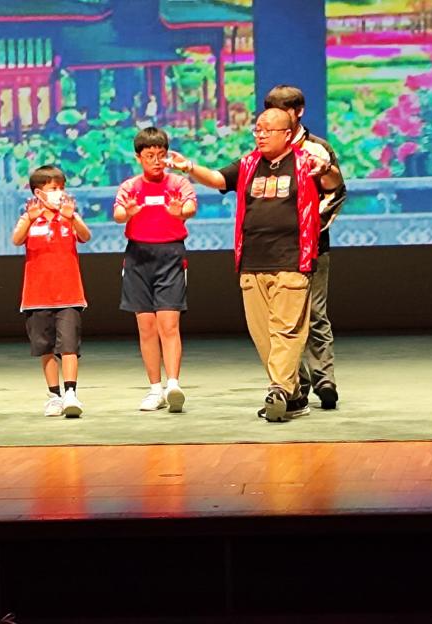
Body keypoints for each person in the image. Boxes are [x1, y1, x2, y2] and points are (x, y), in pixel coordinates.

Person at [166, 108, 339, 421]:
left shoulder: (306, 162)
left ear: (287, 134)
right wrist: (189, 167)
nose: (260, 135)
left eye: (267, 130)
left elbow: (333, 184)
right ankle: (294, 396)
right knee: (263, 335)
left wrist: (326, 168)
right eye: (257, 130)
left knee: (286, 331)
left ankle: (279, 390)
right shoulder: (248, 164)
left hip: (292, 260)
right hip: (252, 262)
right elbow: (218, 179)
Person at [265, 84, 347, 410]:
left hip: (312, 245)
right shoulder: (266, 150)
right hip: (274, 249)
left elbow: (336, 193)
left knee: (314, 312)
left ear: (298, 112)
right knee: (283, 318)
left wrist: (308, 227)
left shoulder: (318, 149)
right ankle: (294, 383)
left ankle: (324, 379)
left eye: (283, 111)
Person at [113, 127, 197, 412]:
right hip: (138, 257)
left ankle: (173, 385)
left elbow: (190, 206)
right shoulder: (130, 186)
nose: (157, 161)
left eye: (161, 155)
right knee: (146, 327)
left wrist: (180, 212)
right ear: (139, 157)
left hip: (170, 257)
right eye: (150, 155)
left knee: (168, 324)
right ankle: (155, 390)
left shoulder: (178, 183)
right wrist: (128, 213)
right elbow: (118, 214)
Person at [11, 165, 92, 417]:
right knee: (45, 348)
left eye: (61, 188)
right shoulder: (29, 218)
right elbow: (16, 239)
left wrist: (72, 216)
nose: (59, 192)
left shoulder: (68, 217)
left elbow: (86, 236)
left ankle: (71, 393)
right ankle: (54, 396)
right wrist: (29, 218)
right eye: (54, 188)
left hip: (69, 295)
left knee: (69, 346)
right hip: (37, 298)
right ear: (39, 192)